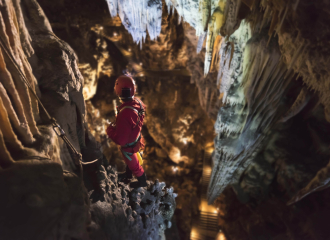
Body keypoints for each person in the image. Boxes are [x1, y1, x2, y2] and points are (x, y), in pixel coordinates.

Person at [106, 75, 147, 188]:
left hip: (129, 147)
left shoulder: (125, 114)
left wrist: (109, 130)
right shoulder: (138, 103)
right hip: (137, 138)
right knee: (132, 164)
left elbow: (121, 140)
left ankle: (142, 183)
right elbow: (135, 117)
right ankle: (128, 175)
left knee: (136, 167)